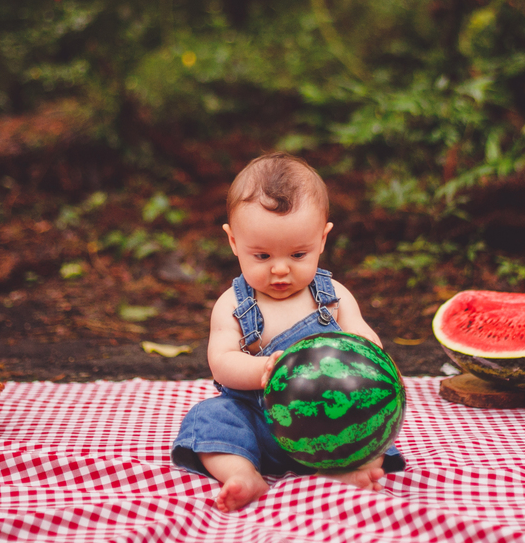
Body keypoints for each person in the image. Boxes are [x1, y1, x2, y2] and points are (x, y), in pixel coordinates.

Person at [172, 152, 405, 512]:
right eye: (262, 257)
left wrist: (380, 368)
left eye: (298, 254)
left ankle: (347, 469)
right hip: (261, 420)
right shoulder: (232, 305)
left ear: (323, 238)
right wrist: (261, 371)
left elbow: (363, 338)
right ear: (233, 242)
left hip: (330, 417)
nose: (280, 270)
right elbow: (221, 363)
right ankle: (242, 471)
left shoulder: (333, 297)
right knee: (210, 418)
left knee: (371, 426)